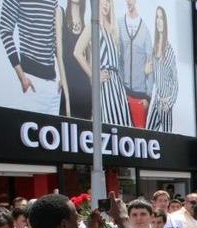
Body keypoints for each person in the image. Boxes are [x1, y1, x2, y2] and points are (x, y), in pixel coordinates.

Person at [74, 0, 132, 126]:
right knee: (112, 125)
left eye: (108, 2)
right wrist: (94, 75)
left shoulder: (113, 30)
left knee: (123, 125)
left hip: (117, 85)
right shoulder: (93, 26)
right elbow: (77, 52)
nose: (106, 4)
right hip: (106, 84)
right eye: (103, 1)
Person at [0, 0, 62, 115]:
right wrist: (22, 77)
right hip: (31, 81)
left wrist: (62, 77)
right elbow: (5, 31)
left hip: (54, 85)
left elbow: (55, 38)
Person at [119, 0, 153, 128]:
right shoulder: (119, 24)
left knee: (139, 139)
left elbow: (151, 67)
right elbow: (118, 60)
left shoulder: (145, 30)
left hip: (140, 98)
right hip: (124, 95)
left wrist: (148, 98)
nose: (129, 1)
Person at [57, 0, 91, 119]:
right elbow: (59, 55)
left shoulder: (85, 24)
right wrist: (66, 97)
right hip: (69, 86)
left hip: (85, 90)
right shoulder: (60, 12)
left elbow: (88, 61)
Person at [146, 7, 178, 132]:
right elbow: (150, 72)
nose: (159, 21)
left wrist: (169, 103)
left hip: (165, 103)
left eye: (161, 18)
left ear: (165, 22)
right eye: (157, 18)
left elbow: (175, 82)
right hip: (156, 100)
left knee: (167, 138)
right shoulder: (154, 49)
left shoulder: (169, 52)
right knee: (148, 134)